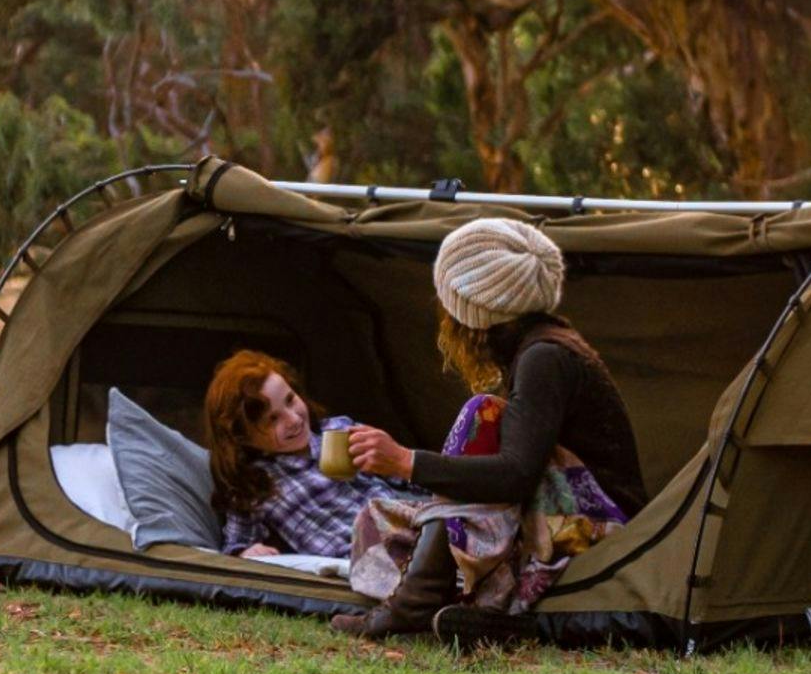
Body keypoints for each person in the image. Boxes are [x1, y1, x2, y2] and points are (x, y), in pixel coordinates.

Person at [331, 217, 647, 640]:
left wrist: (406, 462)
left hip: (596, 530)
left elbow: (514, 476)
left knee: (483, 414)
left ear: (472, 307)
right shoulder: (538, 347)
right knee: (377, 523)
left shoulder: (545, 357)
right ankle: (459, 606)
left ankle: (415, 603)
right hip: (553, 522)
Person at [199, 350, 392, 559]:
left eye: (290, 400)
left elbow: (403, 473)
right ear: (243, 437)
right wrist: (246, 551)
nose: (293, 419)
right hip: (362, 557)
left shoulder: (340, 430)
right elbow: (236, 543)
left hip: (407, 526)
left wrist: (388, 456)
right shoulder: (256, 484)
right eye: (272, 419)